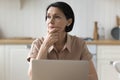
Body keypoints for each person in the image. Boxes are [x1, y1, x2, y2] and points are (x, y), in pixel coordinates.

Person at [27, 1, 98, 80]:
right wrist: (45, 46)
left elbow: (93, 77)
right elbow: (32, 77)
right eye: (48, 17)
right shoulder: (38, 43)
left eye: (56, 17)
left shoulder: (79, 44)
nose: (51, 21)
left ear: (69, 22)